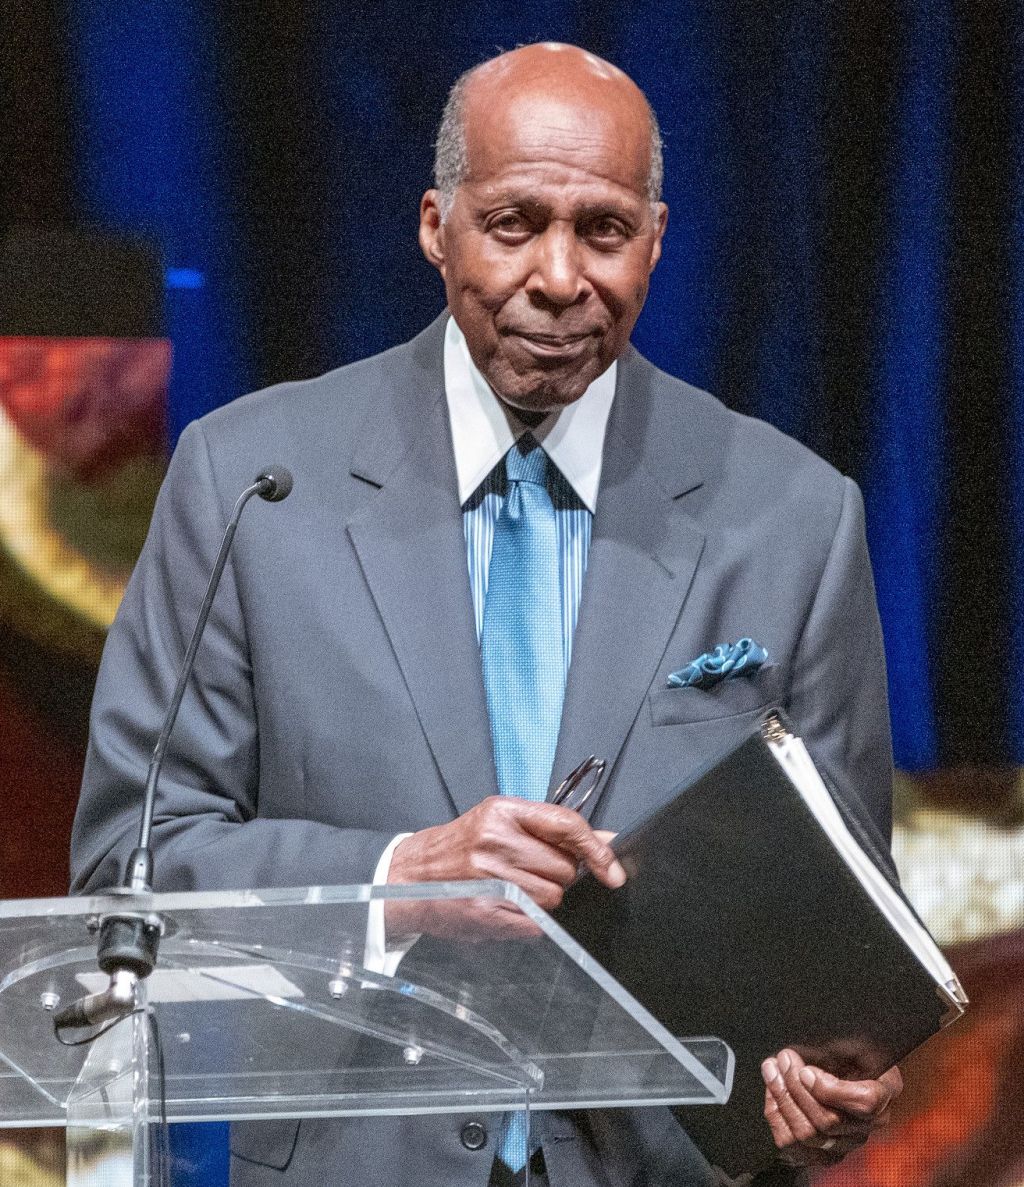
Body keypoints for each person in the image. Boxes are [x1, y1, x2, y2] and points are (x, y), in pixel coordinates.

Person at [71, 42, 902, 1187]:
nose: (559, 276)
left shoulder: (794, 518)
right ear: (435, 225)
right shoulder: (252, 482)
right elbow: (132, 867)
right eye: (513, 223)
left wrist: (827, 1089)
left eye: (603, 231)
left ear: (656, 240)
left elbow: (841, 948)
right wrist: (400, 876)